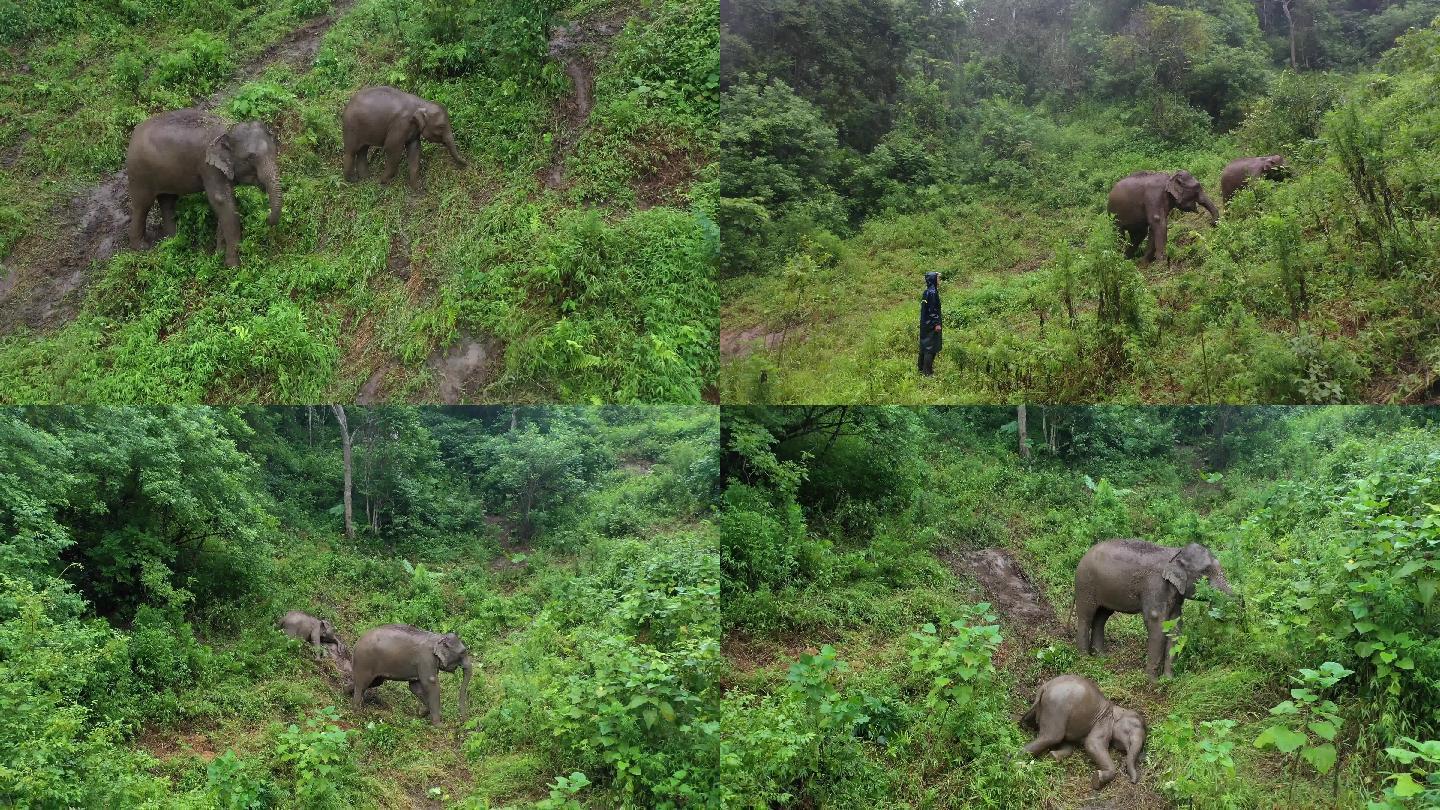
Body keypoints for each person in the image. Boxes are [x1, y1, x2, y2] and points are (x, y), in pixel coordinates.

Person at [918, 271, 942, 375]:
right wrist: (936, 323)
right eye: (938, 278)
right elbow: (933, 310)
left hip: (925, 324)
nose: (939, 281)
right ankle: (927, 372)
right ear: (933, 280)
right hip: (931, 324)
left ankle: (920, 368)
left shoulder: (926, 292)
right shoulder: (932, 293)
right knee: (930, 348)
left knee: (924, 346)